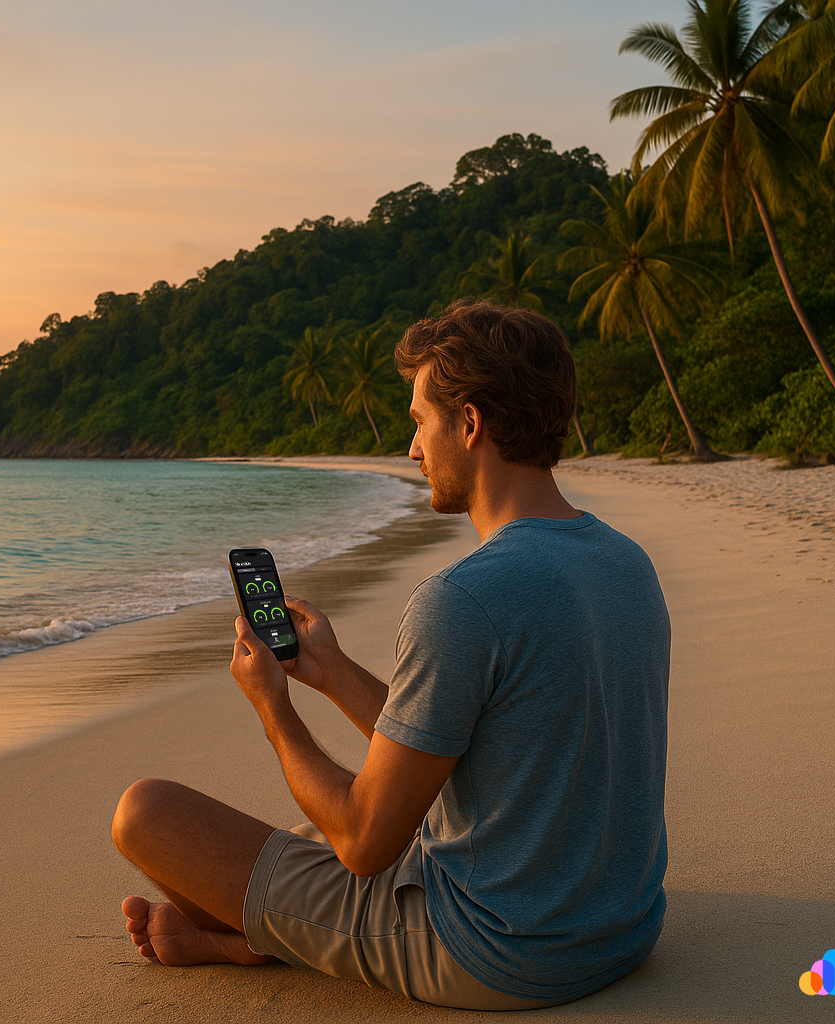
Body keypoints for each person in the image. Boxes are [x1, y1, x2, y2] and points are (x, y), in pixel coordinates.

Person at [111, 300, 669, 1010]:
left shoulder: (464, 600)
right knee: (300, 833)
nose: (410, 450)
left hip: (498, 950)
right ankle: (251, 934)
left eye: (417, 422)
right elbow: (479, 748)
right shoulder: (626, 562)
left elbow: (366, 845)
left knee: (148, 814)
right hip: (622, 927)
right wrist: (331, 672)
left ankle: (246, 940)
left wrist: (274, 710)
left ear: (468, 425)